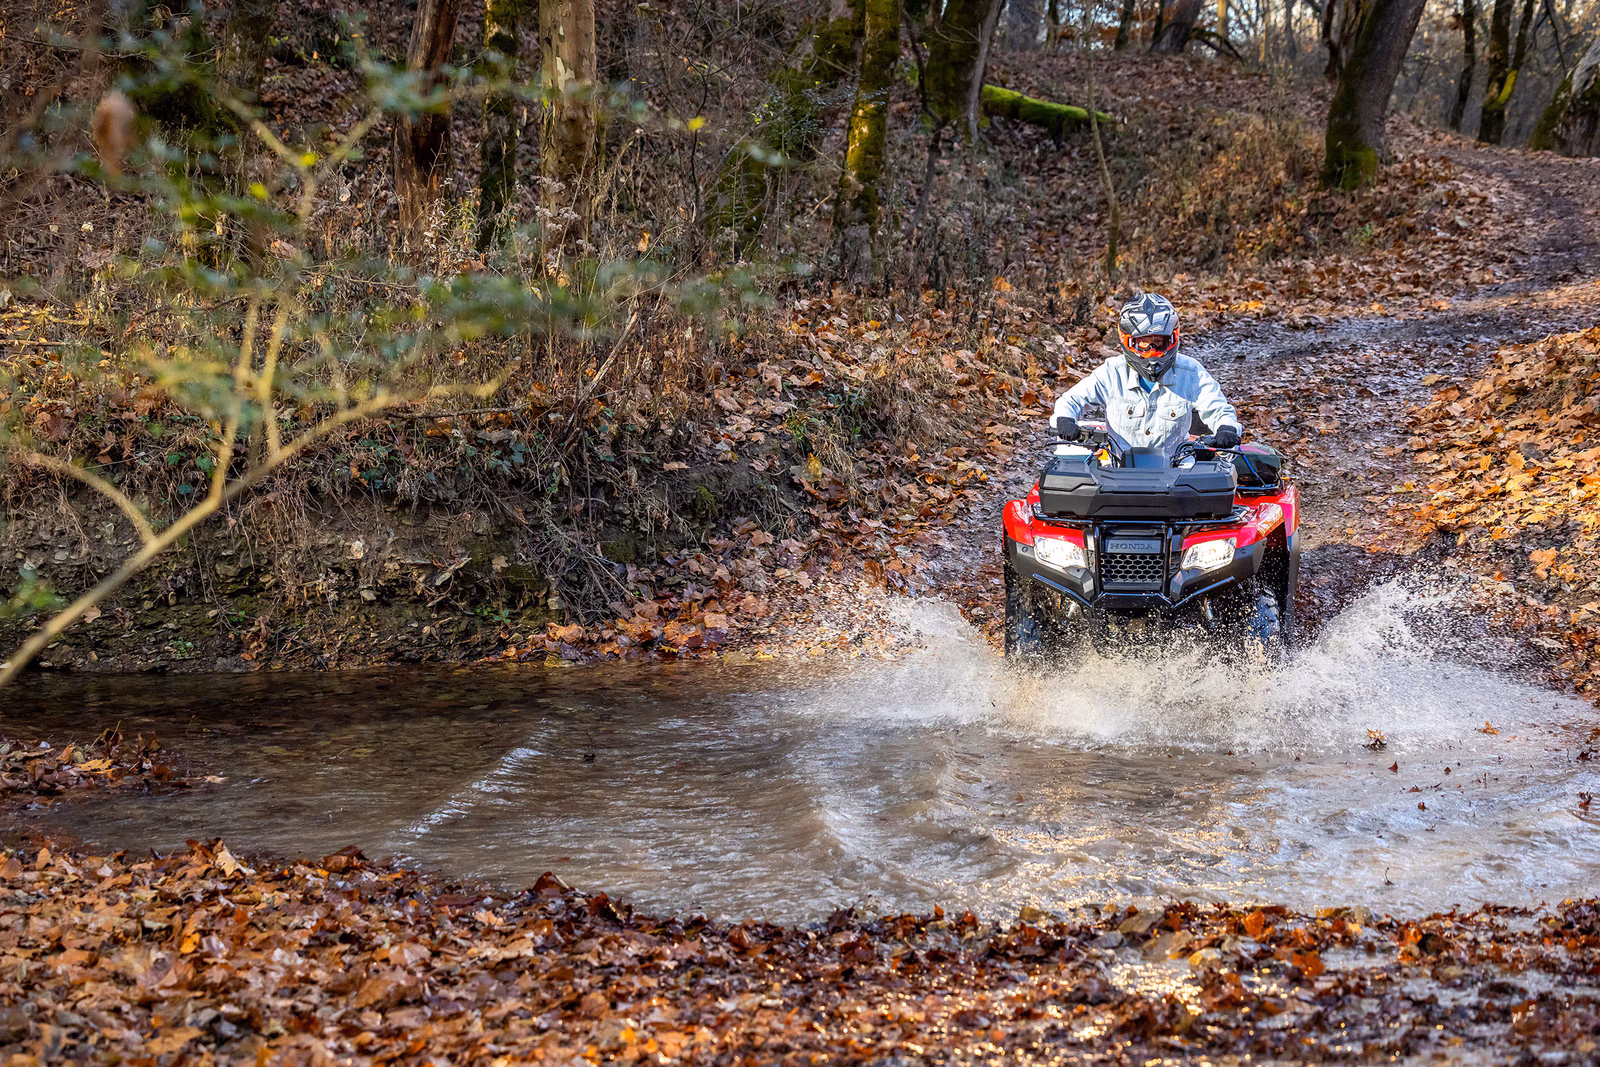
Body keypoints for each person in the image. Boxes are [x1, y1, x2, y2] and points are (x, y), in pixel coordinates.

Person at [1052, 293, 1241, 460]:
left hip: (1177, 469)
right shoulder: (1112, 372)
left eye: (1159, 342)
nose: (1152, 351)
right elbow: (1071, 401)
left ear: (1172, 339)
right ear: (1127, 341)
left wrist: (1226, 429)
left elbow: (1219, 409)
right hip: (1118, 469)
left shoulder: (1191, 372)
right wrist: (1065, 420)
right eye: (1143, 343)